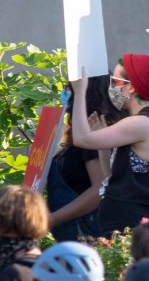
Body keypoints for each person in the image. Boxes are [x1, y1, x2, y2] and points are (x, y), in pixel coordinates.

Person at [71, 54, 149, 236]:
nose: (111, 87)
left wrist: (80, 92)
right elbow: (111, 176)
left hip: (129, 226)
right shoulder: (145, 121)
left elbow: (81, 139)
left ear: (131, 87)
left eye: (116, 81)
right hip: (125, 223)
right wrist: (102, 144)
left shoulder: (140, 123)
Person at [47, 76, 117, 240]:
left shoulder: (94, 132)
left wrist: (53, 219)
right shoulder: (81, 133)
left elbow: (99, 189)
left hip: (87, 231)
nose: (66, 93)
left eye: (70, 88)